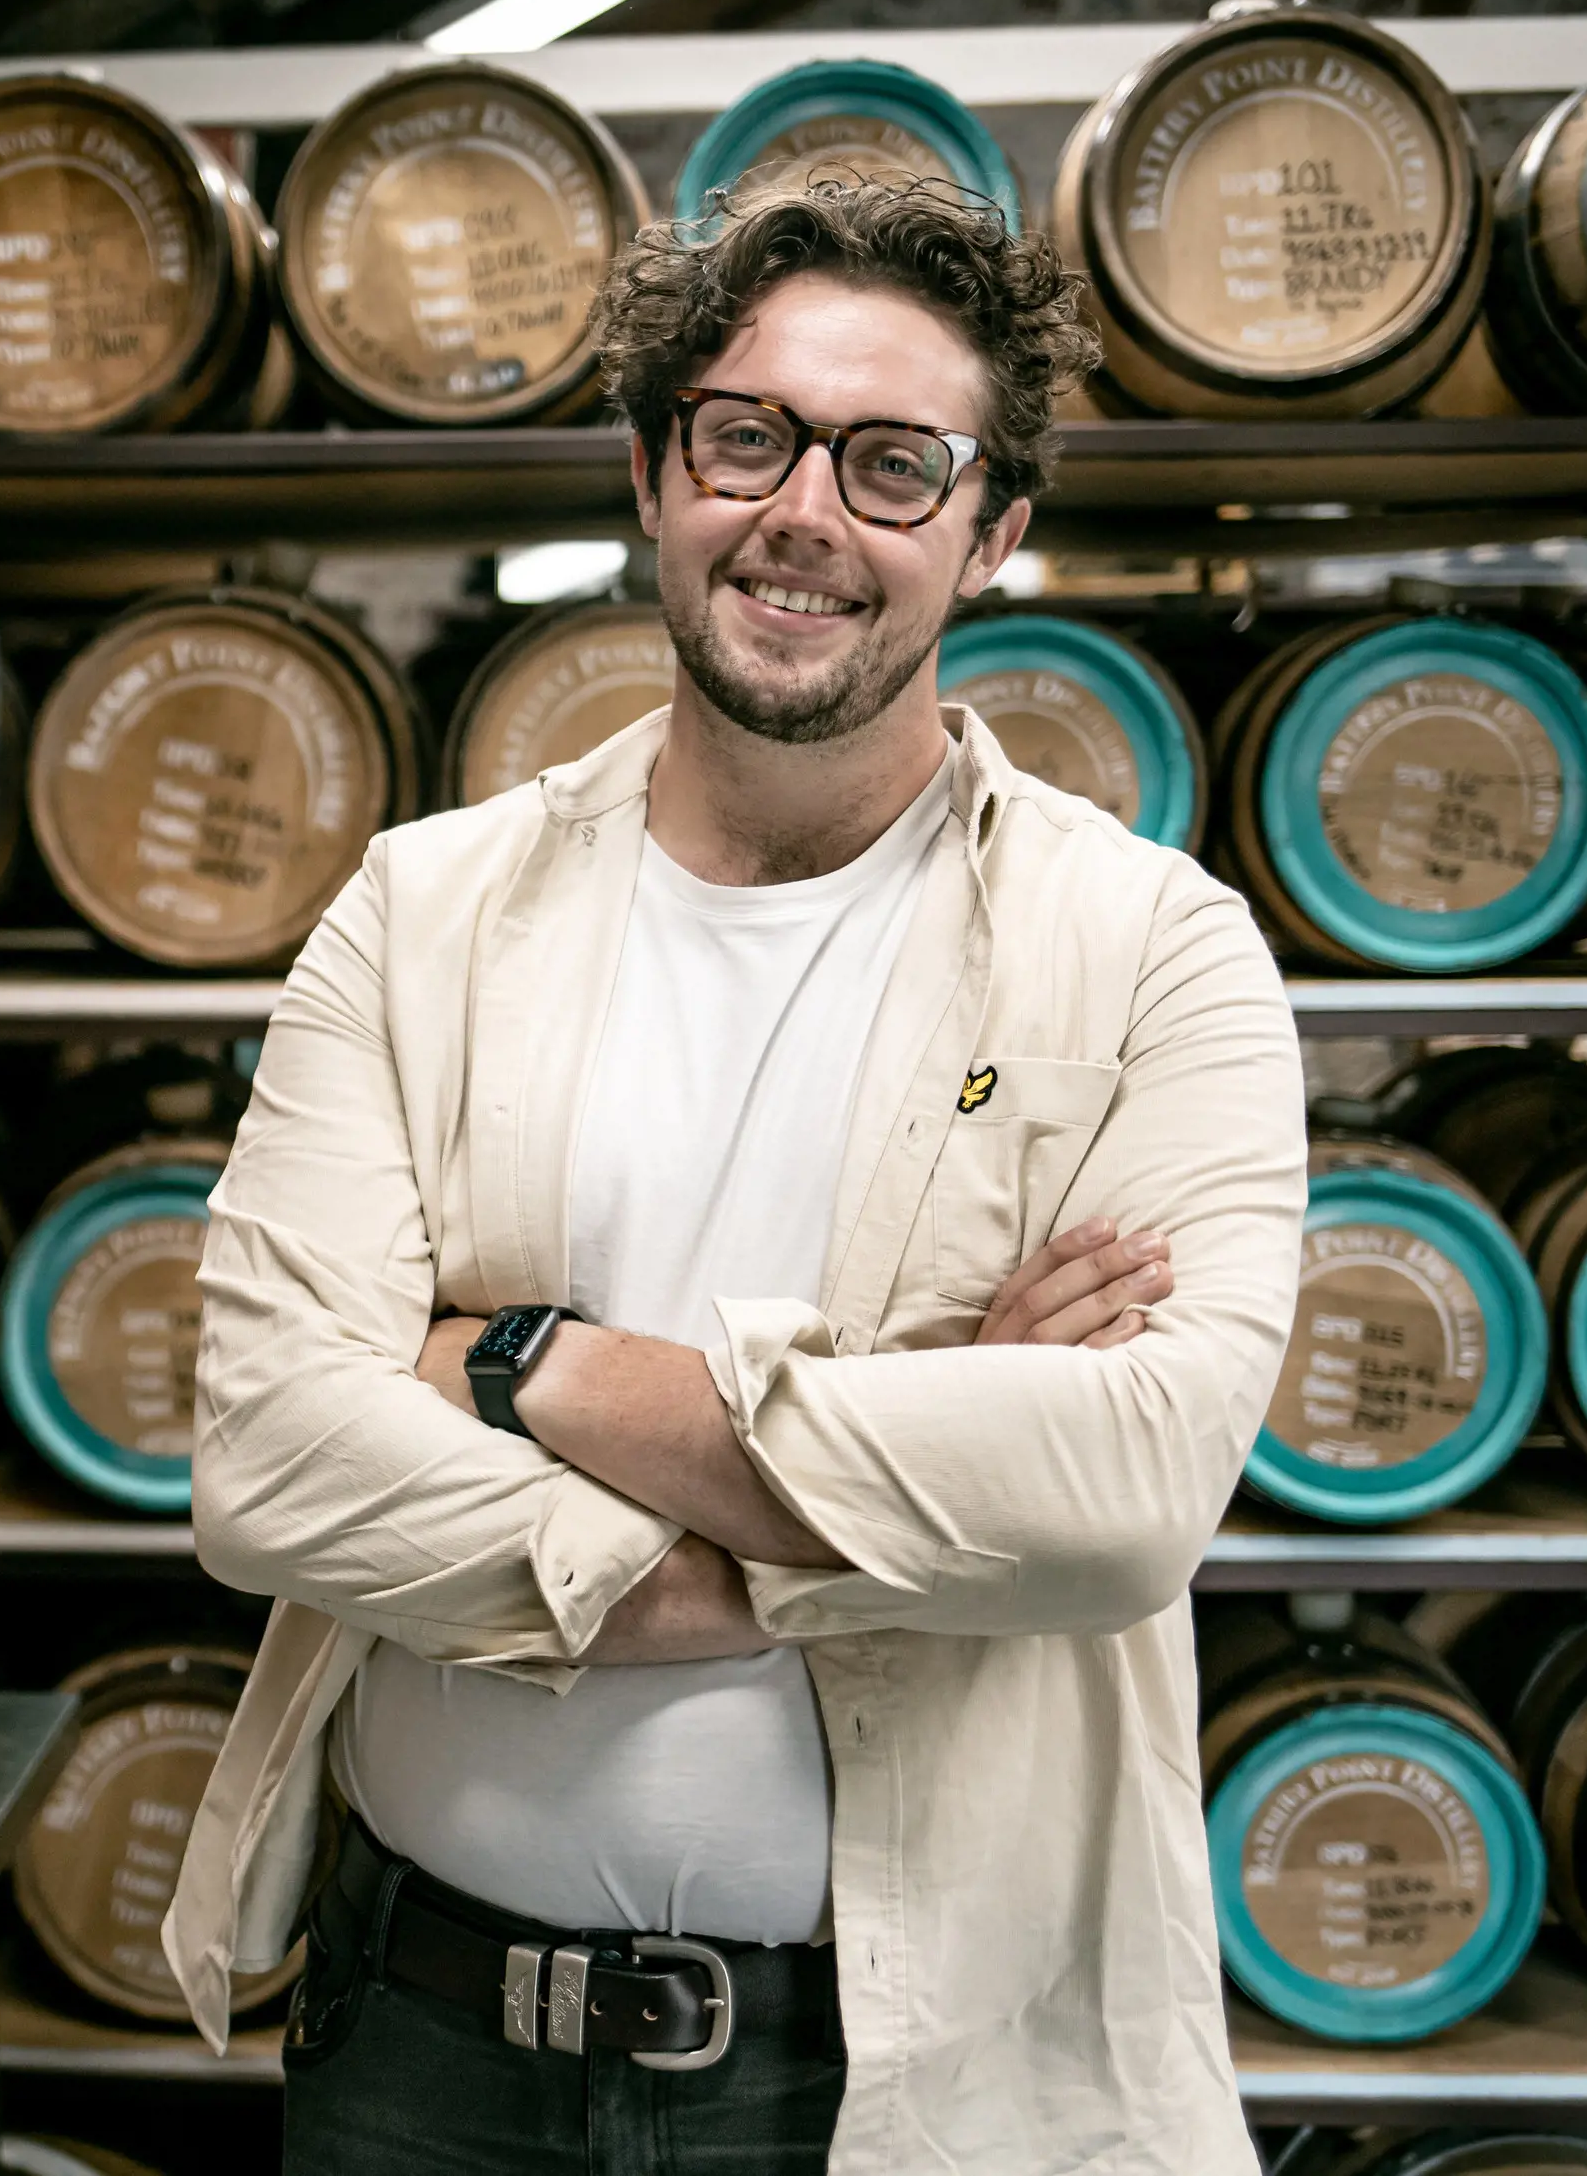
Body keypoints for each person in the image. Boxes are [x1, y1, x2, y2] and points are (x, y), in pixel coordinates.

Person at [160, 174, 1306, 2176]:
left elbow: (1124, 1495)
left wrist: (519, 1362)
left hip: (892, 2077)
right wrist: (901, 1487)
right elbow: (266, 1458)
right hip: (423, 2037)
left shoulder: (1154, 950)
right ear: (652, 474)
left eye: (894, 464)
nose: (804, 512)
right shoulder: (420, 912)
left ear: (992, 533)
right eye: (747, 437)